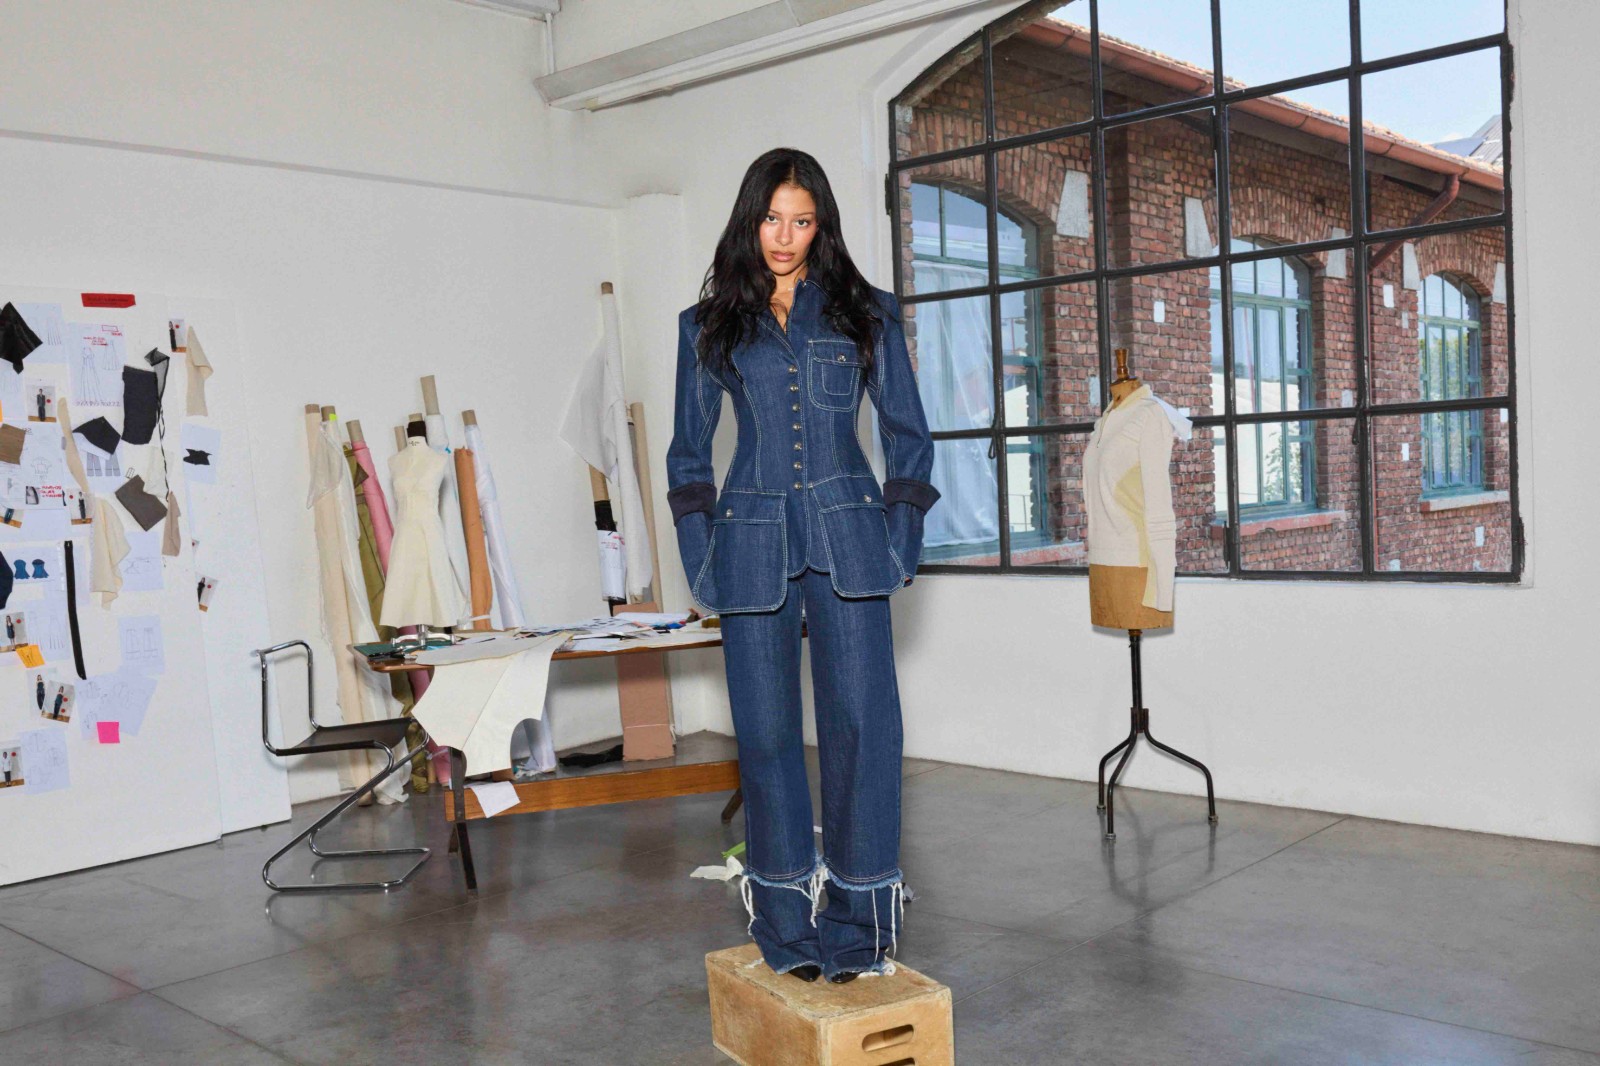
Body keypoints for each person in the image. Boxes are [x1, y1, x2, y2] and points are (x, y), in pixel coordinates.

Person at [666, 148, 941, 984]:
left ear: (821, 226)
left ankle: (859, 924)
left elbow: (909, 437)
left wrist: (898, 544)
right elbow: (687, 457)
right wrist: (701, 563)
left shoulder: (868, 313)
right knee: (767, 737)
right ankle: (785, 924)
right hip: (748, 548)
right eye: (772, 219)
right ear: (750, 220)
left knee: (863, 728)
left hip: (852, 544)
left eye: (802, 221)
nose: (784, 237)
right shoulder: (706, 326)